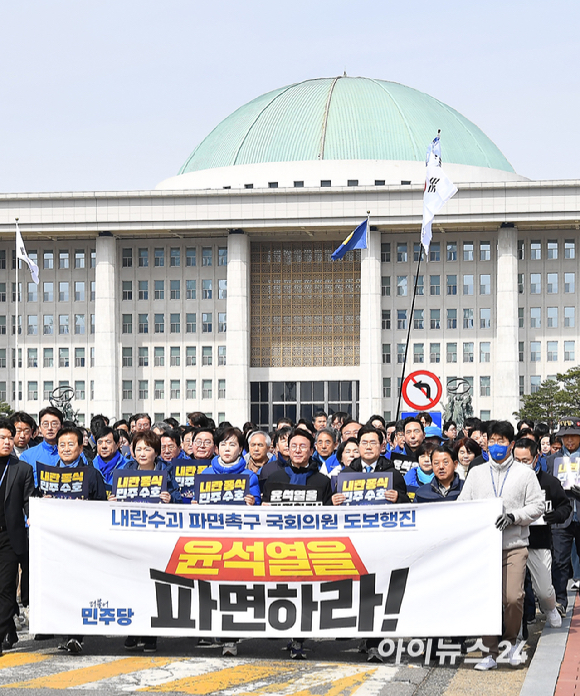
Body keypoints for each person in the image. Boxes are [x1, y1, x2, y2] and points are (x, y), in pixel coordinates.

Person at [458, 420, 544, 670]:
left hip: (514, 544)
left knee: (513, 597)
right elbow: (464, 503)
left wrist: (514, 516)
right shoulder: (477, 472)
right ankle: (490, 652)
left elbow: (537, 505)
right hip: (484, 547)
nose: (496, 445)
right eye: (492, 440)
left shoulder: (524, 473)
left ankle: (511, 642)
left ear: (511, 444)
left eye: (502, 441)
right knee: (487, 600)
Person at [262, 429, 332, 660]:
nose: (298, 450)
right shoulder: (274, 478)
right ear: (286, 449)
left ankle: (298, 640)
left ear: (312, 451)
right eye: (294, 446)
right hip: (278, 545)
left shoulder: (322, 481)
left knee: (304, 592)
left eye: (303, 446)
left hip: (309, 546)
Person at [513, 438, 569, 629]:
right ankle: (517, 626)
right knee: (514, 590)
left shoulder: (549, 482)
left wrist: (556, 516)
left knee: (544, 589)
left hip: (539, 540)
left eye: (525, 460)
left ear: (536, 458)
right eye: (516, 460)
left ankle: (551, 608)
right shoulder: (507, 482)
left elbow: (565, 506)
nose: (521, 465)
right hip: (513, 541)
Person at [0, 420, 33, 658]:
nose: (7, 442)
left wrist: (34, 518)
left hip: (10, 537)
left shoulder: (21, 469)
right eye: (2, 437)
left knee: (6, 588)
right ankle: (9, 629)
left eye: (9, 437)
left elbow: (28, 502)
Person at [546, 417, 580, 613]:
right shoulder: (551, 461)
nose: (569, 441)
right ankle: (560, 602)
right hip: (561, 517)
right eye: (565, 437)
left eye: (573, 437)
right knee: (560, 561)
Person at [19, 407, 64, 487]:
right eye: (45, 424)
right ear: (39, 428)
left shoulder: (76, 454)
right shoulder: (27, 456)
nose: (50, 428)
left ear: (61, 427)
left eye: (54, 424)